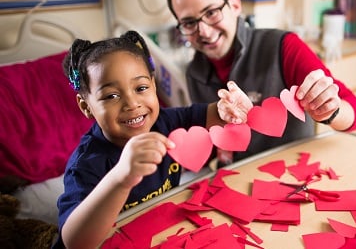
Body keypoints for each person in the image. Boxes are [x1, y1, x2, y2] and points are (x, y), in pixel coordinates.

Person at [54, 31, 252, 248]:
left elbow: (210, 116)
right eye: (111, 96)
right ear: (86, 106)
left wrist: (228, 109)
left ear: (154, 86)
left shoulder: (166, 122)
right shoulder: (86, 165)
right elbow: (75, 242)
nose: (132, 103)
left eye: (141, 88)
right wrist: (121, 178)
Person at [165, 0, 356, 167]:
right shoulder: (195, 73)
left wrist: (330, 110)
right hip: (237, 179)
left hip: (292, 176)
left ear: (235, 6)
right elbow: (211, 145)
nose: (205, 32)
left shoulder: (283, 46)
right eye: (189, 23)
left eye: (211, 12)